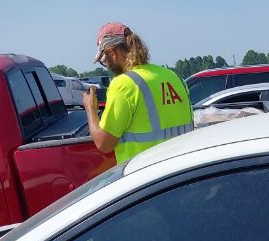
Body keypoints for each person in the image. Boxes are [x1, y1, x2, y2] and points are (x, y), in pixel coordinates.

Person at [83, 23, 193, 164]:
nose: (106, 66)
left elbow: (104, 144)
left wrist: (90, 108)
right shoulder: (174, 77)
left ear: (112, 53)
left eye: (103, 61)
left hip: (146, 175)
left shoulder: (123, 84)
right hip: (182, 171)